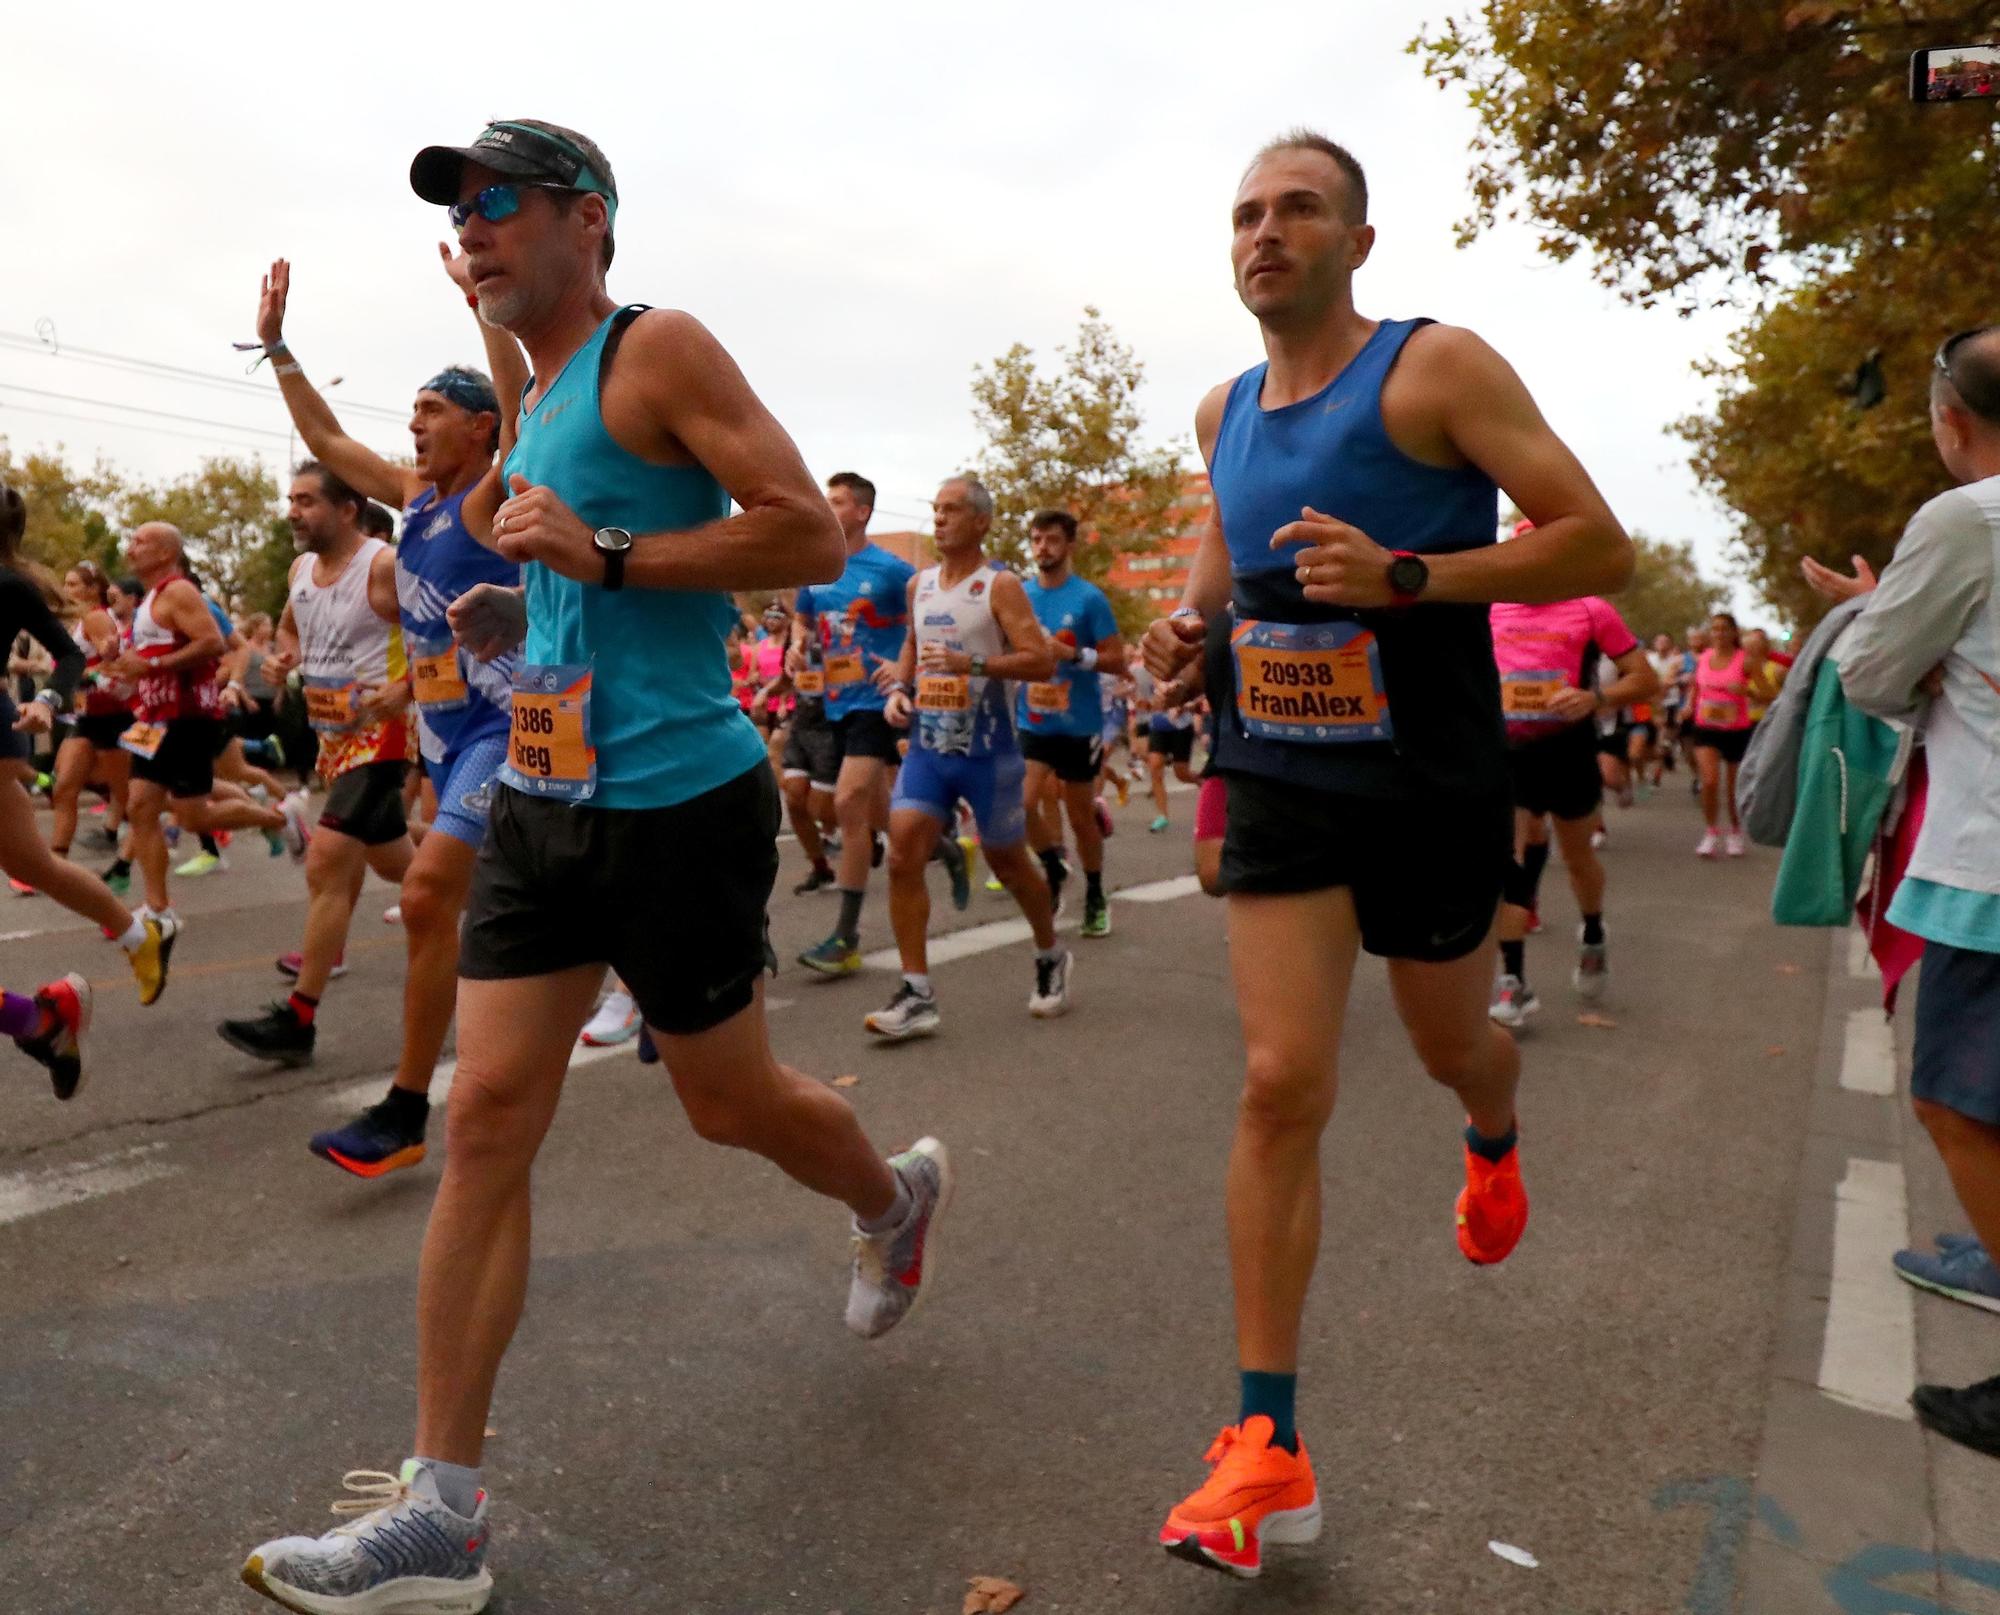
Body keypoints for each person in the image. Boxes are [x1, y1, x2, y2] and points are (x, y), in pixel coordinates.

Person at [240, 119, 949, 1614]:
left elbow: (807, 535)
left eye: (501, 205)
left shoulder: (653, 349)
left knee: (726, 1102)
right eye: (462, 216)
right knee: (487, 1112)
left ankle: (891, 1198)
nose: (477, 231)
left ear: (590, 219)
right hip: (542, 805)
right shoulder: (543, 395)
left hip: (680, 802)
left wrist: (609, 556)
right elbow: (554, 584)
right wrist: (527, 615)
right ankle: (443, 1510)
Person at [1141, 130, 1632, 1578]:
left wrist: (1415, 575)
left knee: (1451, 1045)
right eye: (1244, 213)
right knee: (1282, 1080)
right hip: (1279, 773)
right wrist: (1189, 634)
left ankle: (1494, 1124)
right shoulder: (1220, 407)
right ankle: (1263, 1445)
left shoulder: (1435, 369)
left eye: (1298, 210)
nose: (1265, 233)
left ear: (1359, 240)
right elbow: (1225, 579)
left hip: (1428, 780)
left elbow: (1591, 541)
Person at [255, 250, 527, 1178]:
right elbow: (332, 446)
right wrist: (280, 349)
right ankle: (662, 972)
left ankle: (408, 1108)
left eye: (432, 413)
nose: (412, 428)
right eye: (410, 414)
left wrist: (483, 301)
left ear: (480, 429)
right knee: (520, 895)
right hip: (443, 736)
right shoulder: (413, 499)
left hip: (510, 728)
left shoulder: (492, 495)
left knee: (424, 897)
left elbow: (522, 399)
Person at [1808, 325, 2000, 1461]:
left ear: (1946, 418)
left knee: (1952, 1098)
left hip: (1989, 862)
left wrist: (1890, 621)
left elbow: (1868, 671)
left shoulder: (1966, 517)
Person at [218, 462, 416, 1069]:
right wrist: (284, 661)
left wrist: (404, 691)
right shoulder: (301, 569)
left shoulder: (384, 565)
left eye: (306, 501)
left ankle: (298, 1019)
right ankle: (490, 891)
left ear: (348, 508)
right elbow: (288, 628)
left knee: (328, 860)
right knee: (398, 864)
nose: (293, 511)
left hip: (384, 733)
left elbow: (443, 633)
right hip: (333, 736)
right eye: (291, 499)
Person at [864, 475, 1070, 1038]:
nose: (939, 519)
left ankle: (1051, 954)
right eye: (935, 510)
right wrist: (902, 688)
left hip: (991, 751)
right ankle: (917, 992)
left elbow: (1039, 661)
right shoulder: (920, 585)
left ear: (981, 521)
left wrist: (972, 667)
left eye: (952, 510)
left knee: (1008, 862)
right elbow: (912, 643)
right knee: (903, 852)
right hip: (930, 747)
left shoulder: (999, 586)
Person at [0, 487, 174, 1005]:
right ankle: (140, 935)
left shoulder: (11, 586)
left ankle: (35, 1021)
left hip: (56, 725)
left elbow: (67, 656)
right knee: (35, 867)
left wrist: (48, 701)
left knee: (114, 796)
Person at [1486, 585, 1657, 1026]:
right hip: (1509, 755)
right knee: (1510, 861)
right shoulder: (1490, 605)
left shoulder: (1591, 610)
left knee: (1578, 857)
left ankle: (1594, 934)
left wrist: (1596, 699)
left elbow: (1645, 679)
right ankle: (1513, 981)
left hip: (1569, 753)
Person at [793, 473, 921, 973]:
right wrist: (797, 644)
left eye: (838, 500)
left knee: (847, 802)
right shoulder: (818, 569)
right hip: (836, 701)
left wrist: (904, 669)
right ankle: (947, 846)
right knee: (878, 812)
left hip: (878, 701)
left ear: (862, 512)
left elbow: (924, 617)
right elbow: (804, 617)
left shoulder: (893, 572)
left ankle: (845, 938)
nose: (828, 506)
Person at [1016, 508, 1125, 937]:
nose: (1043, 547)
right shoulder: (1020, 595)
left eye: (1052, 540)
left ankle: (1096, 892)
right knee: (1018, 806)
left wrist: (1074, 656)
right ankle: (1053, 864)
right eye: (1037, 539)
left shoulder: (1088, 599)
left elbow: (1115, 659)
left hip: (1080, 726)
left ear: (1069, 546)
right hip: (1034, 723)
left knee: (1081, 818)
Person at [50, 561, 133, 864]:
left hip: (114, 716)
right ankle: (56, 859)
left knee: (125, 792)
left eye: (73, 584)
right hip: (88, 716)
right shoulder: (80, 621)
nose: (66, 590)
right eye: (66, 583)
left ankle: (158, 832)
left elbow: (114, 664)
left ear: (93, 589)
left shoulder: (96, 618)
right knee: (65, 786)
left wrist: (85, 675)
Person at [778, 585, 842, 893]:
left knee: (820, 807)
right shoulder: (795, 636)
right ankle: (820, 866)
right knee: (793, 797)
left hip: (830, 721)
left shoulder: (839, 630)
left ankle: (863, 828)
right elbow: (786, 676)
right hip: (802, 720)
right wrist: (768, 692)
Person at [1686, 611, 1758, 856]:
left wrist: (1747, 691)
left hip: (1736, 731)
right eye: (1714, 628)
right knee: (1709, 781)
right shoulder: (1703, 658)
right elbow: (1696, 687)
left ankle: (1736, 832)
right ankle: (1711, 832)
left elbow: (1770, 693)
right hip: (1705, 727)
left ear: (1733, 633)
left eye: (1724, 629)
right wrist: (1688, 706)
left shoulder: (1745, 660)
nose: (1718, 633)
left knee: (1733, 788)